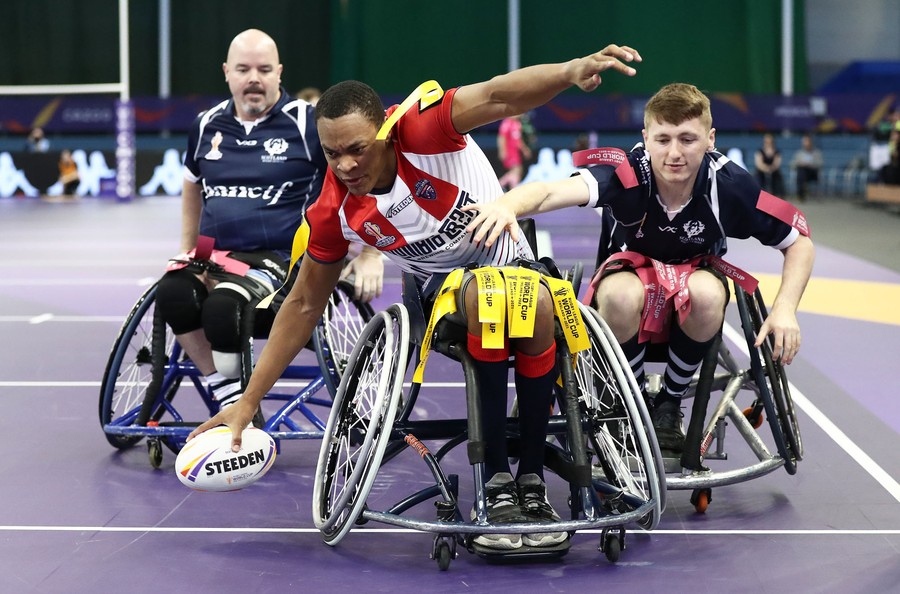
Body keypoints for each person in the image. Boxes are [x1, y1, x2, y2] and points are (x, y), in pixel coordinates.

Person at [190, 43, 643, 552]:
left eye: (357, 149)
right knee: (488, 298)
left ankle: (532, 479)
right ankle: (496, 482)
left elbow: (498, 94)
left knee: (525, 301)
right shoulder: (333, 209)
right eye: (331, 153)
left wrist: (568, 71)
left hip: (513, 266)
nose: (344, 165)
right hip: (439, 297)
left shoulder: (423, 129)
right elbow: (302, 304)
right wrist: (249, 401)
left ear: (383, 131)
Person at [462, 82, 815, 456]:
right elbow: (550, 192)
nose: (674, 153)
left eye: (687, 139)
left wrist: (785, 309)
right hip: (627, 285)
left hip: (695, 286)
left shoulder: (729, 185)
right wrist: (506, 207)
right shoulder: (627, 174)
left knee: (710, 294)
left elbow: (799, 240)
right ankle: (629, 401)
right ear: (646, 138)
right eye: (663, 140)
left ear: (710, 139)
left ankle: (668, 403)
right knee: (621, 293)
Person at [156, 29, 384, 413]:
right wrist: (186, 246)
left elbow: (359, 179)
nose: (253, 79)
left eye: (263, 69)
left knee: (221, 310)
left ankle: (237, 405)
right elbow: (192, 183)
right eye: (243, 69)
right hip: (213, 250)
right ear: (227, 72)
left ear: (279, 73)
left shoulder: (306, 123)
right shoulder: (205, 124)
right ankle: (227, 393)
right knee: (172, 293)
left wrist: (368, 252)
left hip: (280, 254)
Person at [497, 115, 533, 190]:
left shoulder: (517, 124)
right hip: (509, 152)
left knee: (517, 170)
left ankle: (503, 186)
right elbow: (501, 138)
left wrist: (525, 150)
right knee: (516, 170)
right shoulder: (506, 123)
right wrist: (502, 151)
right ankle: (507, 187)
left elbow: (519, 141)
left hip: (515, 153)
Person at [790, 133, 823, 201]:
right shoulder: (799, 153)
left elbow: (820, 164)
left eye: (806, 141)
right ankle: (802, 194)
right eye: (804, 141)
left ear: (811, 142)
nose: (805, 143)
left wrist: (810, 164)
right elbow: (792, 164)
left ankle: (801, 194)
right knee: (801, 170)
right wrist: (799, 163)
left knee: (802, 172)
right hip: (802, 173)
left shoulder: (816, 152)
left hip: (813, 173)